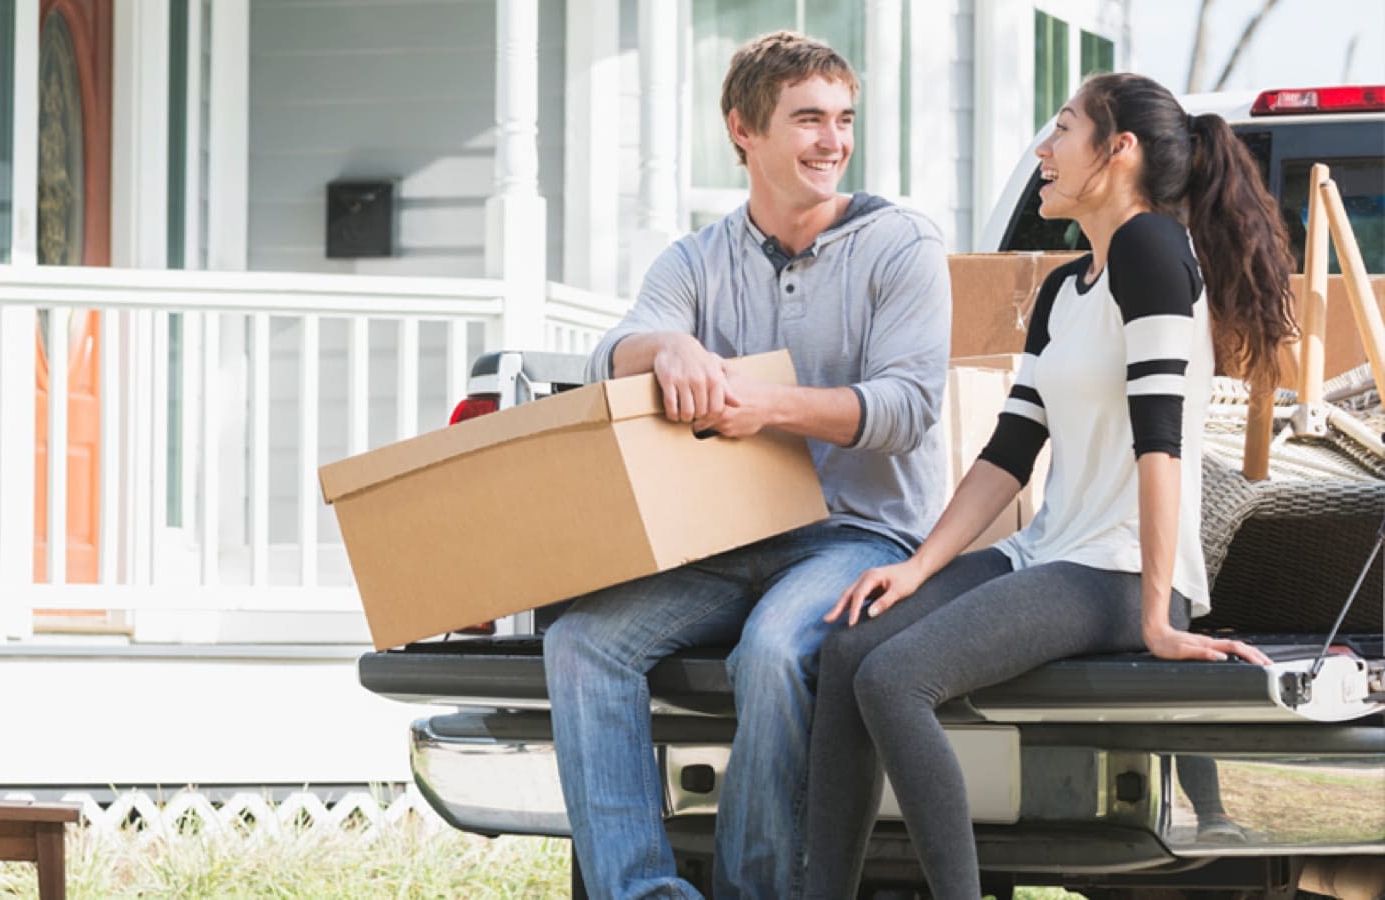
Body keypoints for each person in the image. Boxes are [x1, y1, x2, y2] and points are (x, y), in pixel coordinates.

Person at [802, 71, 1295, 899]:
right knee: (850, 642)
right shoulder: (1070, 286)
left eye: (1063, 129)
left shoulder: (1154, 250)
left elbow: (1161, 441)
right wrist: (916, 570)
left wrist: (1156, 613)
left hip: (1118, 569)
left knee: (895, 677)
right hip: (1050, 553)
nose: (1045, 148)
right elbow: (1010, 450)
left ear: (1118, 150)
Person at [543, 30, 952, 900]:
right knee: (581, 642)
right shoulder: (696, 259)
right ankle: (645, 892)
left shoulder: (903, 244)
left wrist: (767, 404)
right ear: (744, 131)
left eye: (842, 120)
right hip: (733, 538)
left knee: (771, 650)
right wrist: (666, 345)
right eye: (808, 120)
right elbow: (610, 353)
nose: (832, 142)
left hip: (860, 533)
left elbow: (908, 411)